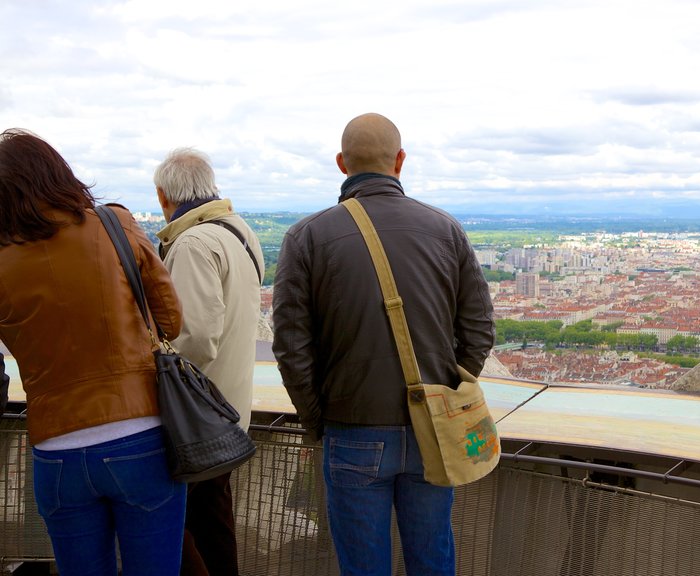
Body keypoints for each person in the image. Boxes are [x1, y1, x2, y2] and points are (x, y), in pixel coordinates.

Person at [273, 113, 495, 575]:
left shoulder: (307, 236)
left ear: (341, 163)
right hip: (435, 423)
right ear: (400, 160)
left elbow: (291, 347)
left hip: (351, 426)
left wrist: (320, 419)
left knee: (362, 565)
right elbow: (478, 331)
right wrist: (446, 393)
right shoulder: (446, 229)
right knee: (433, 557)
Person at [0, 128, 186, 575]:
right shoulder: (113, 224)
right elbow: (172, 321)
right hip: (140, 433)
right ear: (57, 173)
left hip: (55, 447)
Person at [153, 147, 265, 576]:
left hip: (196, 423)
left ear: (164, 197)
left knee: (173, 527)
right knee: (212, 523)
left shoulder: (193, 243)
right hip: (230, 411)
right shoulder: (238, 231)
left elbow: (194, 339)